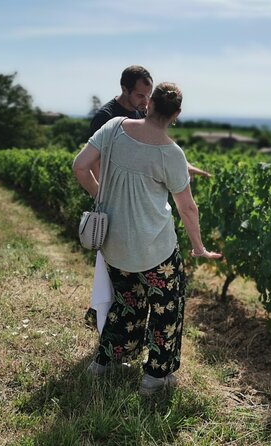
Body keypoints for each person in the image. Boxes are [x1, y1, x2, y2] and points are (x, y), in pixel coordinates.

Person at [73, 82, 222, 395]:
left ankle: (103, 362)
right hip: (156, 250)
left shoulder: (113, 128)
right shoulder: (172, 154)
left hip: (114, 245)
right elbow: (187, 208)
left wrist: (104, 196)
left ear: (149, 103)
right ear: (176, 114)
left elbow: (80, 166)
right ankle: (155, 377)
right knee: (167, 310)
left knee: (127, 305)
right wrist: (199, 248)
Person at [84, 66, 209, 331]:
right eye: (140, 95)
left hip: (120, 233)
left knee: (125, 299)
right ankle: (154, 369)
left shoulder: (121, 123)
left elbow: (147, 158)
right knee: (160, 307)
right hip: (140, 231)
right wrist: (105, 200)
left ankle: (109, 353)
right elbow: (186, 207)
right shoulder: (107, 119)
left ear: (152, 102)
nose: (143, 101)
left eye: (147, 96)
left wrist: (183, 168)